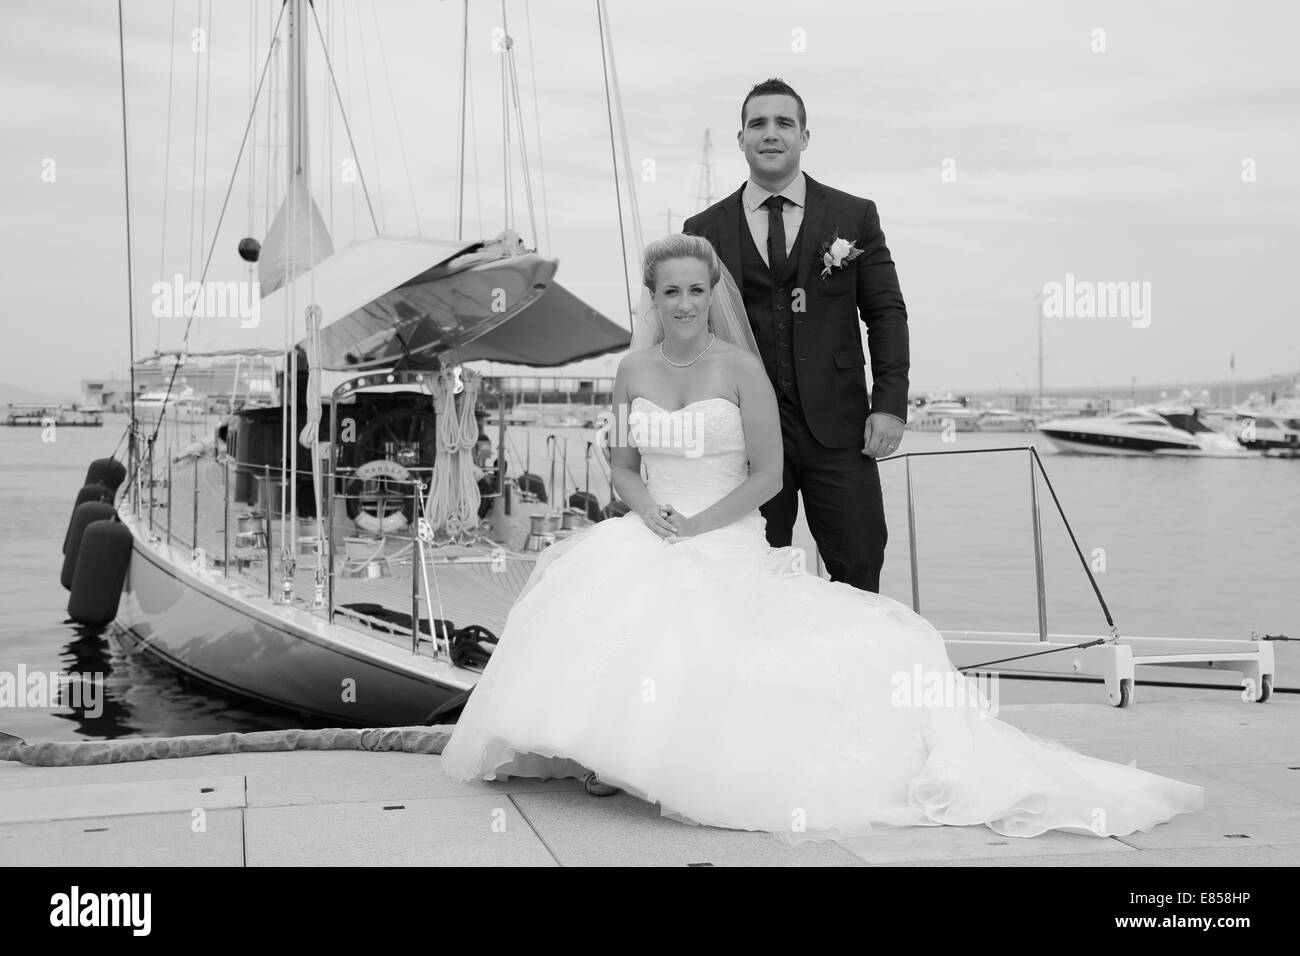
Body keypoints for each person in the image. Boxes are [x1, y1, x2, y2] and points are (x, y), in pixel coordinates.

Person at [439, 235, 1203, 844]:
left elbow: (769, 474)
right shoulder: (631, 369)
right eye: (669, 290)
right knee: (601, 598)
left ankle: (668, 761)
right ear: (653, 297)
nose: (683, 303)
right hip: (652, 523)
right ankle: (610, 756)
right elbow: (624, 463)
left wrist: (699, 527)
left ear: (712, 295)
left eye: (696, 290)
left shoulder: (739, 367)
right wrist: (645, 513)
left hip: (723, 526)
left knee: (741, 635)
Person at [683, 78, 907, 593]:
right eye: (757, 124)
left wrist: (890, 404)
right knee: (749, 574)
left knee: (859, 565)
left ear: (805, 136)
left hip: (842, 432)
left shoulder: (855, 216)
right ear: (740, 138)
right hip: (745, 438)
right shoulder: (703, 229)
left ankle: (852, 672)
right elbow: (688, 330)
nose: (771, 133)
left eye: (784, 123)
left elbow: (887, 314)